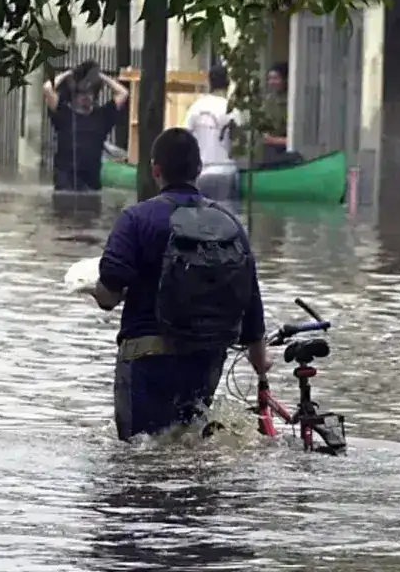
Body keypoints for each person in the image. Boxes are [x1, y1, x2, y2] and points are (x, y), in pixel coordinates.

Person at [93, 127, 272, 442]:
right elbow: (251, 307)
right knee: (190, 448)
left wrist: (93, 287)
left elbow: (109, 296)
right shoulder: (229, 224)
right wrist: (261, 365)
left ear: (155, 170)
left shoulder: (135, 219)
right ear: (199, 170)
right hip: (206, 360)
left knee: (139, 456)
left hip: (146, 361)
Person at [42, 60, 129, 191]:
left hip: (91, 184)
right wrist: (69, 73)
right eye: (81, 93)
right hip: (65, 183)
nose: (85, 97)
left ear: (95, 95)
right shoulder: (64, 114)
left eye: (89, 92)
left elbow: (123, 93)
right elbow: (47, 88)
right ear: (74, 96)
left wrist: (100, 76)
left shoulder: (103, 116)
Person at [183, 65, 238, 200]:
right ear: (228, 83)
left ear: (209, 82)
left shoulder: (196, 107)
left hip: (201, 172)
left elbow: (184, 139)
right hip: (225, 171)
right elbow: (238, 143)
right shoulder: (232, 110)